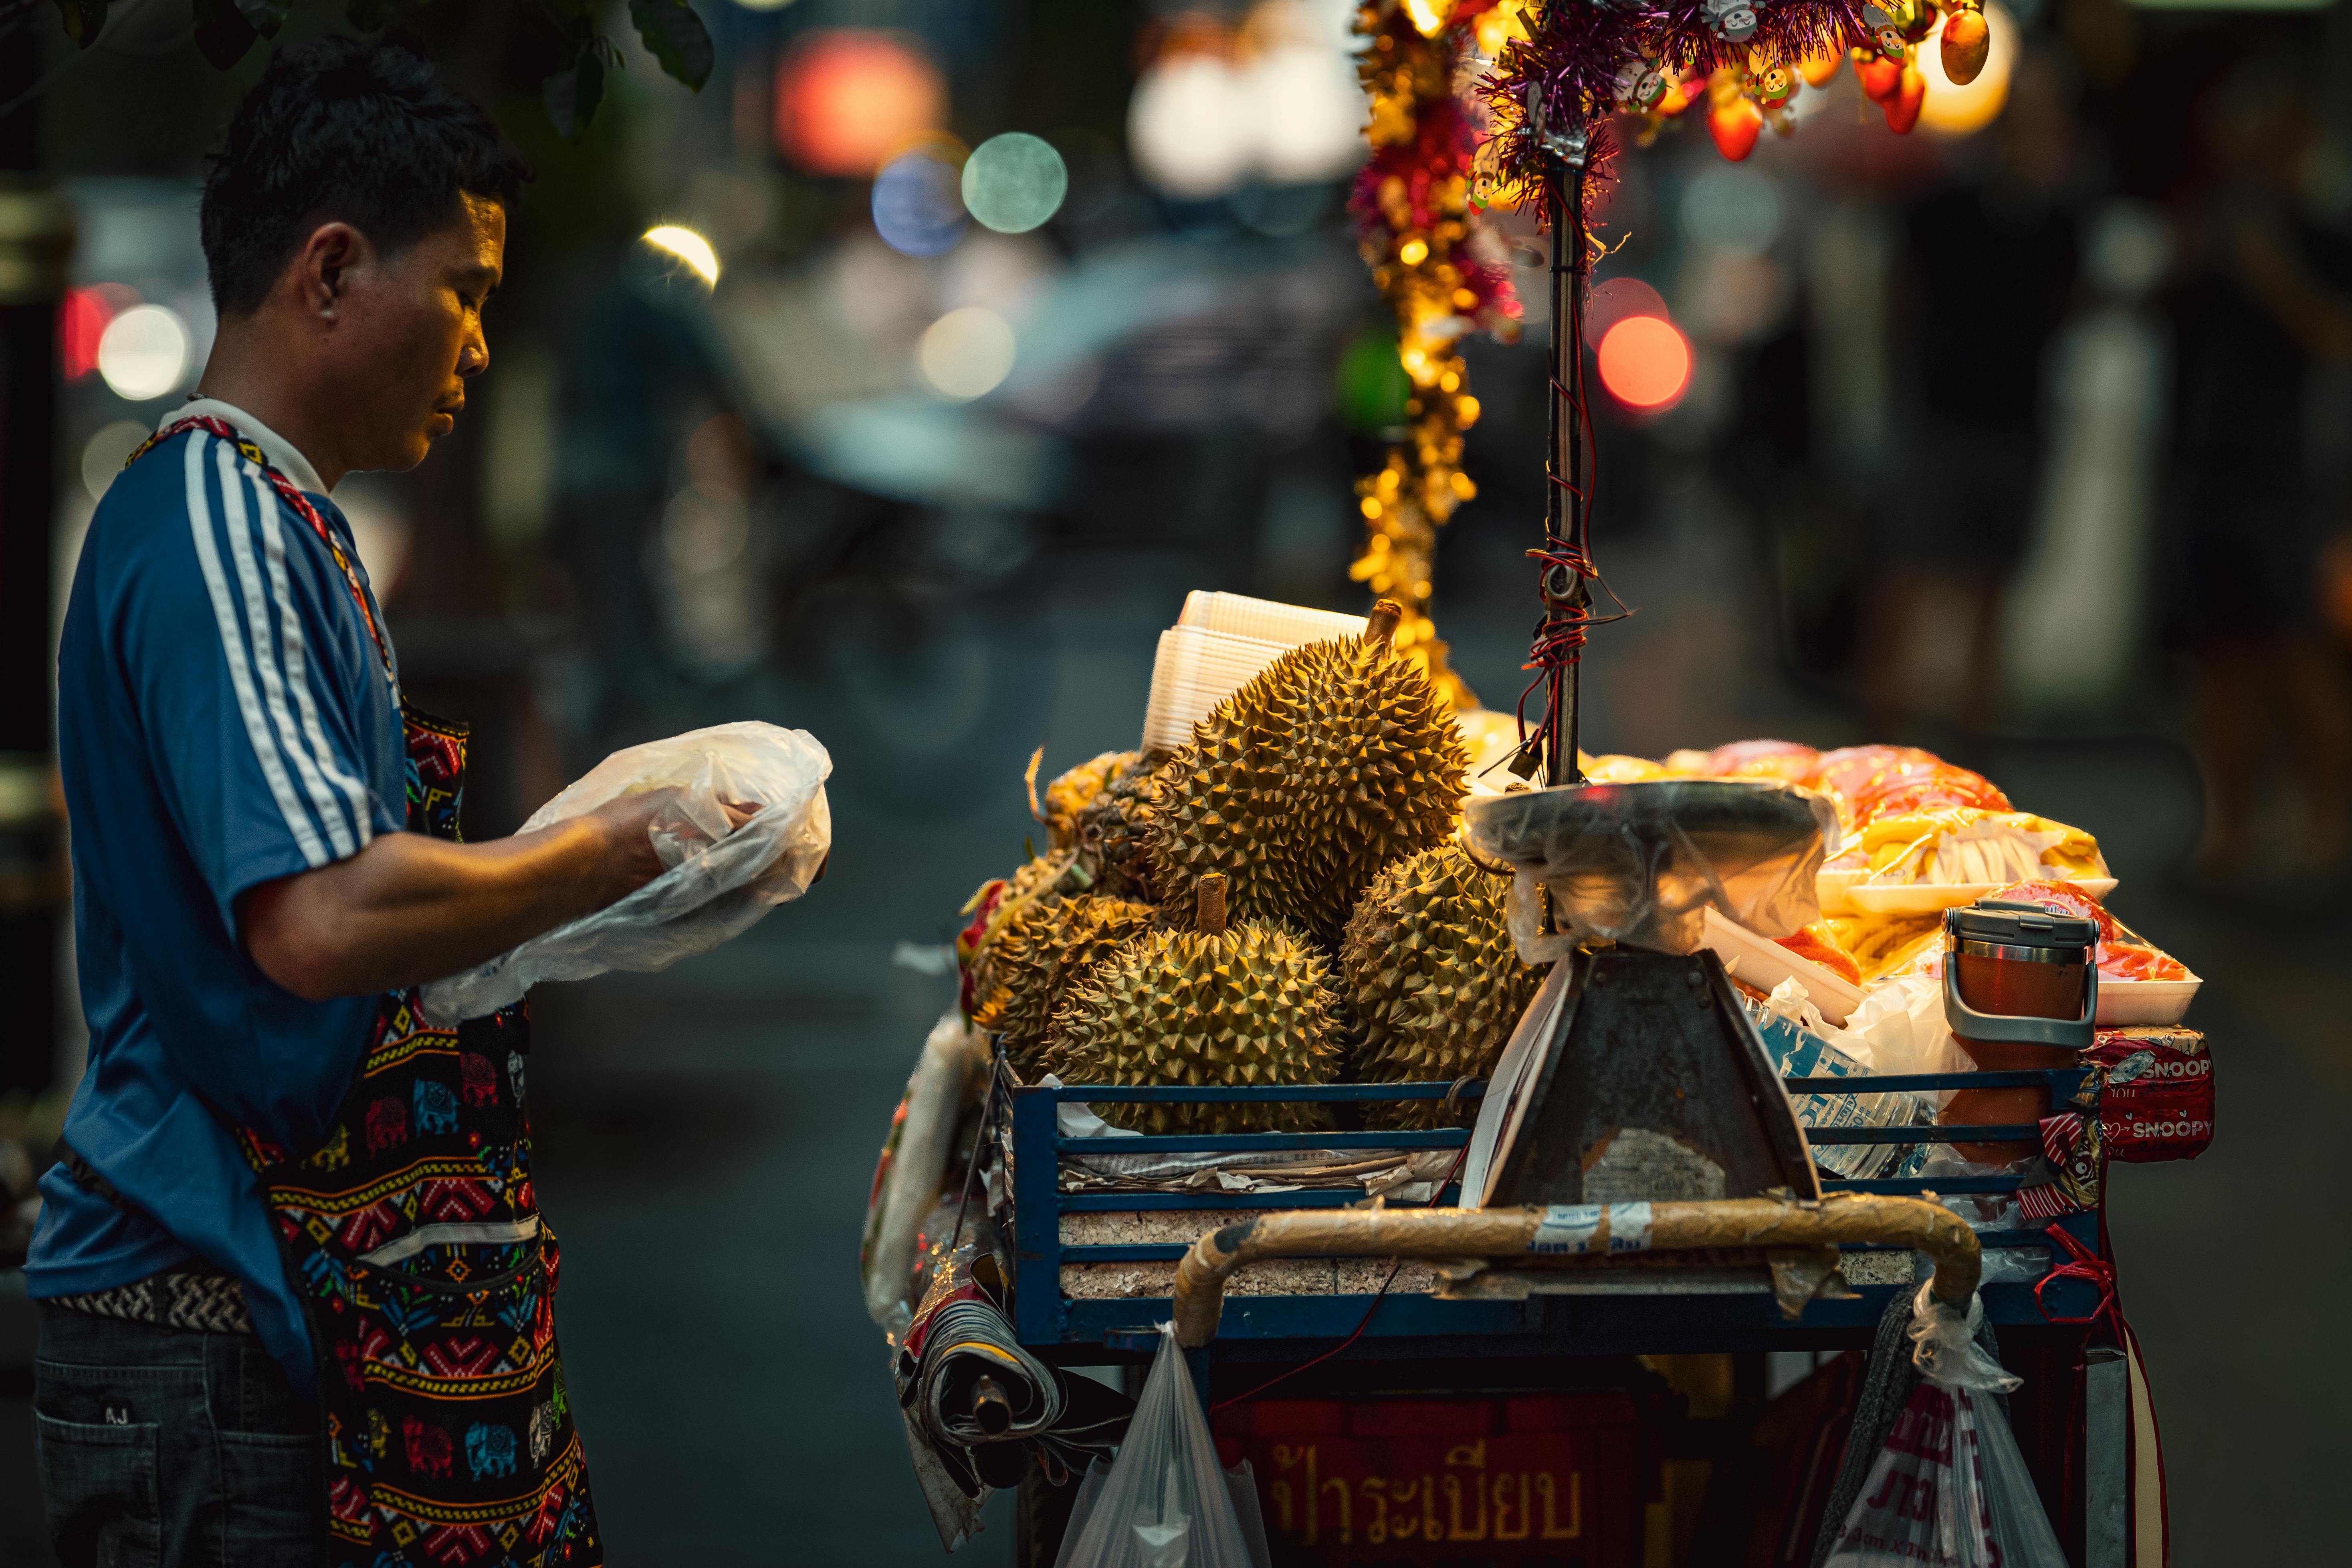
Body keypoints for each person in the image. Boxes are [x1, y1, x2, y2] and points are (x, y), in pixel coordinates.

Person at [25, 39, 662, 1568]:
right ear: (329, 273)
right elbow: (320, 918)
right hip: (204, 1307)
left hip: (243, 1308)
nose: (481, 347)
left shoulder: (277, 520)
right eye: (465, 291)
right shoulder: (218, 524)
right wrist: (615, 852)